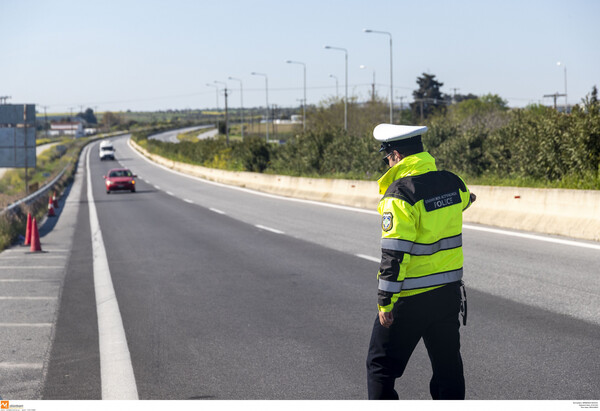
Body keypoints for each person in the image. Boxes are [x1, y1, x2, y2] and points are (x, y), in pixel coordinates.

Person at [366, 123, 475, 400]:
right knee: (447, 368)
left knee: (380, 367)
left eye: (387, 158)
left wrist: (385, 303)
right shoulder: (454, 182)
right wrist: (467, 199)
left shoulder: (400, 195)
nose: (387, 163)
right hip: (447, 295)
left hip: (409, 300)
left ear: (397, 156)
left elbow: (394, 254)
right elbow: (465, 199)